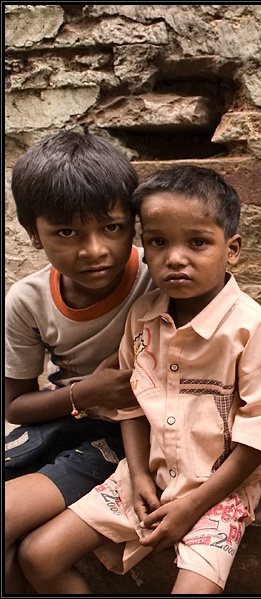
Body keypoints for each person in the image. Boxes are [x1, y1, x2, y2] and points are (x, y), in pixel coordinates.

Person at [17, 166, 261, 594]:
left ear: (232, 248)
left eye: (197, 242)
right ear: (143, 247)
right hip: (146, 474)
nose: (175, 258)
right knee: (38, 556)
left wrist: (192, 506)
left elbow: (260, 438)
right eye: (158, 242)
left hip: (220, 489)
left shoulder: (250, 330)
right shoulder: (143, 317)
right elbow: (131, 401)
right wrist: (142, 476)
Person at [4, 131, 154, 593]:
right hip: (61, 420)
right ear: (34, 234)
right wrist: (83, 392)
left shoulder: (160, 277)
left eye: (112, 227)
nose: (94, 250)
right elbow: (14, 405)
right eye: (67, 232)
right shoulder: (27, 301)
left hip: (122, 437)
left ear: (133, 222)